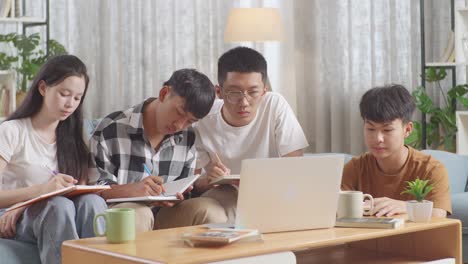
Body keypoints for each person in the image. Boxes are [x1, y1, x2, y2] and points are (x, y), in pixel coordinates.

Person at [90, 68, 228, 232]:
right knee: (140, 214)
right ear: (163, 94)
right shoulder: (112, 128)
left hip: (166, 214)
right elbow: (93, 192)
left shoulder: (187, 136)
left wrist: (190, 189)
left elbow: (184, 188)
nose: (179, 125)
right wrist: (133, 190)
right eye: (179, 112)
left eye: (189, 121)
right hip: (124, 214)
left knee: (212, 211)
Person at [0, 55, 107, 264]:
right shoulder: (11, 131)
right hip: (11, 215)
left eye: (77, 98)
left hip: (46, 209)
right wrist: (39, 193)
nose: (70, 104)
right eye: (64, 94)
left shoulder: (73, 138)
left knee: (93, 202)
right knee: (58, 206)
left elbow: (79, 190)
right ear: (43, 88)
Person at [193, 46, 309, 223]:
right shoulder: (203, 119)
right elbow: (193, 184)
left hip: (272, 190)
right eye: (234, 93)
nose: (244, 102)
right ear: (219, 92)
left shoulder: (275, 104)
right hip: (224, 194)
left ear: (264, 91)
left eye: (253, 92)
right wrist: (212, 180)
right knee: (229, 197)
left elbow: (295, 167)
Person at [341, 84, 451, 217]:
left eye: (387, 130)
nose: (378, 138)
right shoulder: (355, 168)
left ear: (408, 130)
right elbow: (333, 208)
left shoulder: (431, 169)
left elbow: (439, 214)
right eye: (370, 129)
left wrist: (406, 206)